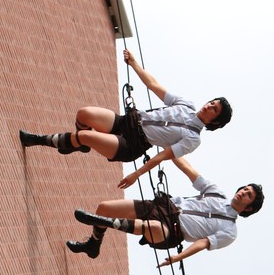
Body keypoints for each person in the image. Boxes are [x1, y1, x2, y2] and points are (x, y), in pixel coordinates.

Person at [19, 50, 232, 186]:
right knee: (84, 114)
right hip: (127, 121)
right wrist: (134, 63)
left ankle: (38, 140)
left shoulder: (193, 139)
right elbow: (154, 86)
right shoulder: (186, 105)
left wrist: (136, 174)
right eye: (212, 102)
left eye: (215, 110)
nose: (210, 106)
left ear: (215, 122)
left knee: (84, 135)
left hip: (132, 144)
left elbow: (162, 156)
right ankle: (78, 144)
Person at [66, 156, 264, 267]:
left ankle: (109, 223)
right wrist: (170, 151)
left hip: (172, 231)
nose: (243, 192)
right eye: (245, 189)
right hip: (162, 207)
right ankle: (94, 244)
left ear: (249, 208)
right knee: (104, 208)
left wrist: (179, 257)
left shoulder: (230, 231)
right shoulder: (216, 193)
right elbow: (189, 170)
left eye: (249, 195)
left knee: (151, 227)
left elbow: (203, 243)